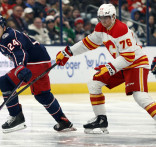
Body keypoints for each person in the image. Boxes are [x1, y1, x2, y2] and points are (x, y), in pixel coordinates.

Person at [0, 15, 76, 133]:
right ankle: (63, 121)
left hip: (35, 63)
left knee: (5, 82)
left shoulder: (9, 37)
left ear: (4, 27)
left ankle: (16, 117)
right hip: (42, 60)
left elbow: (19, 53)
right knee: (42, 95)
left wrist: (20, 67)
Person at [56, 4, 156, 134]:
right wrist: (68, 52)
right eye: (101, 18)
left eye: (107, 17)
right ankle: (101, 119)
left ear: (114, 17)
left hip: (136, 64)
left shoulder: (121, 29)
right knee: (94, 83)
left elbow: (129, 57)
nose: (103, 21)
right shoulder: (100, 28)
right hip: (122, 64)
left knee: (140, 96)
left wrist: (109, 67)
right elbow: (87, 43)